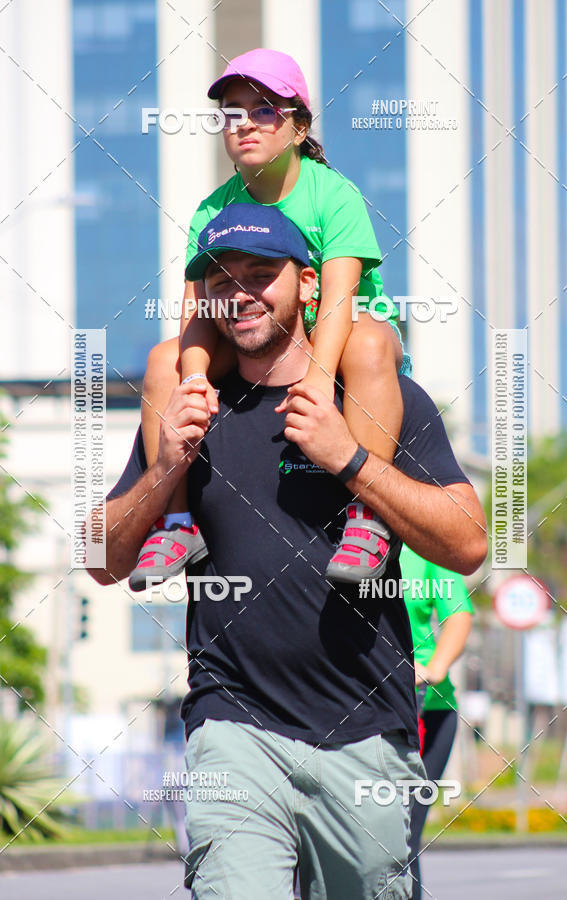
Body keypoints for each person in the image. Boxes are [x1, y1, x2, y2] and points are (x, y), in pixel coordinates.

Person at [88, 203, 488, 899]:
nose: (238, 292)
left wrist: (351, 459)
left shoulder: (374, 396)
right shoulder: (191, 403)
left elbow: (469, 543)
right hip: (231, 726)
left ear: (308, 284)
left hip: (365, 730)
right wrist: (164, 471)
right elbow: (98, 556)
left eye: (259, 273)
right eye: (219, 278)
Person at [129, 48, 412, 591]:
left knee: (369, 343)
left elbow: (338, 301)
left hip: (343, 328)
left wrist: (316, 378)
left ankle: (369, 520)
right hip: (261, 332)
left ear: (299, 126)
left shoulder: (335, 195)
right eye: (232, 112)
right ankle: (176, 521)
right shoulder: (212, 210)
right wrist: (192, 382)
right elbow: (199, 311)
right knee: (165, 360)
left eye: (263, 110)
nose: (244, 124)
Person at [399, 545, 473, 900]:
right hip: (353, 708)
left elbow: (457, 615)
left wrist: (434, 670)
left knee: (403, 836)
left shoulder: (423, 545)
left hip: (427, 708)